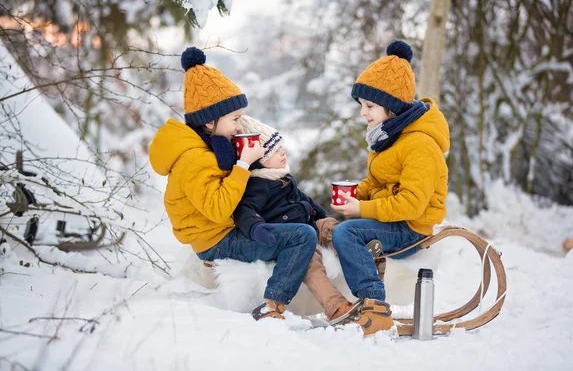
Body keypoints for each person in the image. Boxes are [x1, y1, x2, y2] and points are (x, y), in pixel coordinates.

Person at [148, 47, 317, 321]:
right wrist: (243, 166)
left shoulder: (210, 147)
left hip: (224, 230)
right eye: (235, 119)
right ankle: (273, 304)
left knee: (301, 223)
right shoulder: (194, 160)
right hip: (217, 240)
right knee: (302, 236)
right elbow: (217, 208)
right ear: (210, 121)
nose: (239, 126)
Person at [330, 40, 450, 335]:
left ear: (392, 106)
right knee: (331, 224)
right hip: (393, 218)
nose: (363, 113)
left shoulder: (420, 145)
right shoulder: (388, 136)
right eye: (362, 106)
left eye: (369, 106)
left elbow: (412, 204)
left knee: (347, 231)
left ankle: (374, 306)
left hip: (411, 225)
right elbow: (376, 181)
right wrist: (354, 195)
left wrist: (362, 209)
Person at [233, 115, 361, 322]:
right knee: (311, 262)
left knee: (333, 227)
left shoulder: (283, 177)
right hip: (292, 238)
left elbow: (305, 200)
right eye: (274, 151)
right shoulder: (256, 185)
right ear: (258, 160)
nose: (282, 152)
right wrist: (256, 227)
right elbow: (244, 211)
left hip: (309, 225)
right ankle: (336, 306)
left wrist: (321, 216)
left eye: (281, 147)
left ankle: (354, 249)